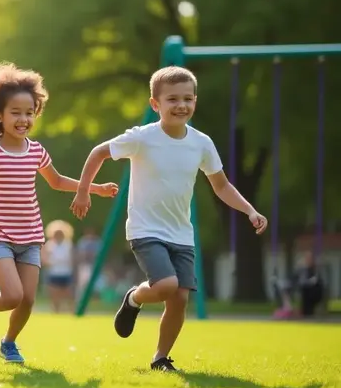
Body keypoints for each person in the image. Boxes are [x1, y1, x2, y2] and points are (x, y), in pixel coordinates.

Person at [71, 66, 268, 371]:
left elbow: (221, 185)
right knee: (165, 285)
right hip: (145, 228)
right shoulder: (142, 138)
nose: (181, 105)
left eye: (187, 98)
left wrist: (250, 210)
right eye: (172, 99)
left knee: (179, 300)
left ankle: (160, 358)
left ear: (195, 101)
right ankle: (135, 298)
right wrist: (84, 192)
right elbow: (98, 153)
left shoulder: (202, 143)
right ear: (155, 104)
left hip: (181, 234)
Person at [0, 63, 118, 363]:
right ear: (0, 116)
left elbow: (57, 180)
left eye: (29, 112)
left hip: (31, 235)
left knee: (28, 300)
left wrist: (93, 188)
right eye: (16, 113)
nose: (23, 119)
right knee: (12, 296)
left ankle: (8, 343)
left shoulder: (36, 151)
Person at [42, 222, 76, 314]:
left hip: (66, 272)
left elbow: (72, 259)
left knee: (69, 294)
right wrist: (51, 263)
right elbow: (44, 258)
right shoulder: (49, 245)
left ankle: (72, 312)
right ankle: (56, 312)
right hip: (54, 272)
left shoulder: (68, 244)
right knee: (54, 295)